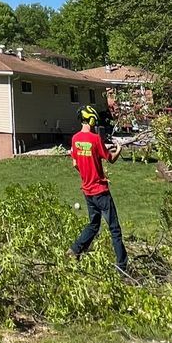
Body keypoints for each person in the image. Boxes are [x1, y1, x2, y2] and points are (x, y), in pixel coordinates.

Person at [69, 105, 129, 274]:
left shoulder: (75, 139)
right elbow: (110, 159)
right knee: (114, 229)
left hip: (87, 191)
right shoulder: (95, 139)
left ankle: (75, 249)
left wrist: (87, 171)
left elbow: (75, 163)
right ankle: (122, 267)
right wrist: (118, 149)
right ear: (91, 119)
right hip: (101, 191)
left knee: (94, 225)